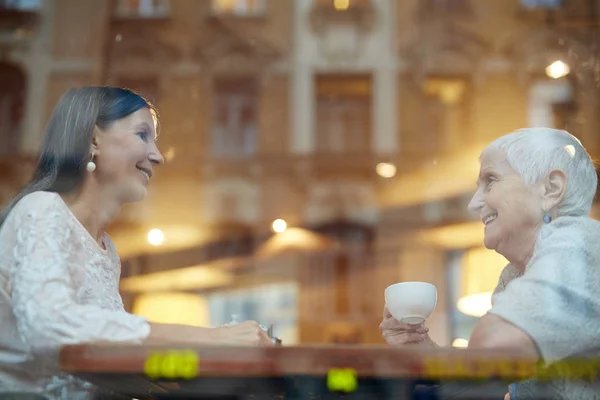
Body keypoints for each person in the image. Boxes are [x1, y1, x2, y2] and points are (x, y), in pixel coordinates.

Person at [0, 87, 272, 400]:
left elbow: (101, 357)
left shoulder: (105, 249)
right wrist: (210, 338)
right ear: (93, 140)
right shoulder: (42, 209)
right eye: (143, 135)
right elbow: (50, 327)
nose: (157, 155)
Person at [380, 127, 600, 399]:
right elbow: (485, 374)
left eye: (491, 180)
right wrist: (421, 347)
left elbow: (493, 348)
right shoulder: (514, 275)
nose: (474, 203)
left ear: (551, 188)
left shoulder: (582, 247)